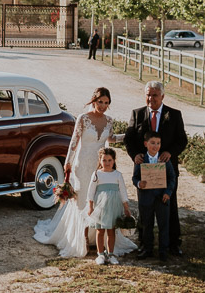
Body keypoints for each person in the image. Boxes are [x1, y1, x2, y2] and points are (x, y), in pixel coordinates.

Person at [34, 87, 137, 258]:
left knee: (98, 199)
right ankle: (81, 239)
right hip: (81, 165)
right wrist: (67, 162)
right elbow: (74, 142)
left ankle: (97, 239)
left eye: (106, 103)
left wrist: (127, 135)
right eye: (100, 102)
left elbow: (110, 139)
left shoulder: (109, 120)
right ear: (94, 101)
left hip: (100, 167)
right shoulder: (83, 119)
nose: (103, 106)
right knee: (82, 200)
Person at [123, 80, 186, 256]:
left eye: (155, 95)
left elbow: (182, 140)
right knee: (145, 210)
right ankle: (145, 245)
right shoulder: (137, 114)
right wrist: (134, 154)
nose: (151, 98)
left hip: (166, 171)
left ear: (162, 96)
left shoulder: (174, 114)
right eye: (148, 95)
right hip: (144, 172)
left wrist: (170, 153)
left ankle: (173, 244)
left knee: (170, 206)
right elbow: (129, 139)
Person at [132, 130, 177, 262]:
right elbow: (134, 178)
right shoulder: (140, 160)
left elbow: (172, 178)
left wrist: (168, 193)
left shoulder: (164, 160)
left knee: (164, 225)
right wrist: (139, 183)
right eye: (152, 143)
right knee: (147, 225)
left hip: (161, 198)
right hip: (146, 198)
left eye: (158, 143)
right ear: (146, 144)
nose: (155, 146)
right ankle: (147, 249)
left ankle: (163, 251)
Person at [86, 147, 133, 265]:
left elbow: (123, 192)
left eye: (109, 160)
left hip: (113, 206)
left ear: (114, 161)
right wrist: (90, 206)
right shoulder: (97, 174)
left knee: (111, 231)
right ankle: (100, 254)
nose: (107, 163)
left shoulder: (117, 175)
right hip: (100, 206)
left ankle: (110, 254)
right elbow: (91, 191)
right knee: (100, 230)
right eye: (104, 160)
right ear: (100, 160)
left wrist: (126, 208)